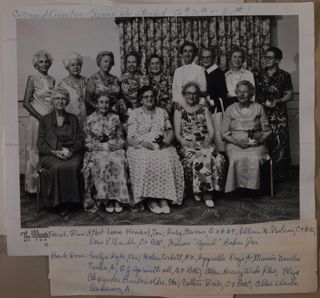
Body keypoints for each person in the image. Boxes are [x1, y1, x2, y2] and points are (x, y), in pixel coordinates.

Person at [127, 86, 184, 214]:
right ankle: (151, 199)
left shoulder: (161, 112)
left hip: (160, 144)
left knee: (166, 157)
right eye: (146, 97)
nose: (149, 99)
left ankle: (163, 198)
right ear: (141, 100)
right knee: (145, 158)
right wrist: (142, 143)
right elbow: (130, 138)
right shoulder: (135, 113)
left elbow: (170, 132)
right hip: (140, 145)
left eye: (151, 96)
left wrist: (165, 143)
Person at [174, 82, 226, 207]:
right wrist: (186, 142)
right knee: (202, 155)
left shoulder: (204, 108)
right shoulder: (179, 110)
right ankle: (207, 192)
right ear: (184, 94)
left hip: (204, 141)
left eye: (194, 93)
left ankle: (200, 190)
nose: (191, 96)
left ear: (198, 95)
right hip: (187, 144)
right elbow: (177, 133)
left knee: (209, 154)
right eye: (188, 93)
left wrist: (208, 140)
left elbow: (211, 130)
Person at [37, 88, 84, 217]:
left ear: (67, 101)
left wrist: (72, 150)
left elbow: (80, 140)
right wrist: (54, 152)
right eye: (57, 98)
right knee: (58, 167)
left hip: (71, 153)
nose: (60, 101)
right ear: (52, 101)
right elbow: (40, 144)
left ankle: (72, 201)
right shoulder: (44, 120)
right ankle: (59, 203)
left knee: (73, 166)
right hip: (50, 154)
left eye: (63, 99)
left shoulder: (73, 118)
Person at [82, 93, 130, 213]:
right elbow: (86, 142)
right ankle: (107, 199)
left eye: (107, 102)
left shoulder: (115, 118)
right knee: (102, 162)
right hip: (96, 150)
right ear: (97, 104)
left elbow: (121, 139)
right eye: (101, 102)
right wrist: (99, 146)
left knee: (119, 161)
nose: (104, 105)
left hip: (113, 148)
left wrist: (115, 146)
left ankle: (118, 198)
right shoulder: (89, 119)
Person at [221, 80, 272, 193]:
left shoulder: (259, 108)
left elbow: (267, 131)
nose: (242, 95)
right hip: (234, 143)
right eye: (239, 92)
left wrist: (260, 141)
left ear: (251, 93)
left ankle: (252, 189)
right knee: (235, 157)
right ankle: (236, 189)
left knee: (254, 157)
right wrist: (237, 142)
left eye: (245, 92)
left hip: (256, 143)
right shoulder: (230, 109)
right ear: (235, 93)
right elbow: (224, 133)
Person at [255, 47, 294, 182]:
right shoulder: (259, 75)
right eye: (265, 57)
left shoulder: (285, 75)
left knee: (280, 143)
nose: (266, 59)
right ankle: (266, 175)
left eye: (270, 57)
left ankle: (280, 175)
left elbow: (289, 94)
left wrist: (278, 101)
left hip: (279, 115)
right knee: (265, 142)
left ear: (277, 60)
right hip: (263, 114)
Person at [23, 50, 55, 194]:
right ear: (36, 64)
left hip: (49, 121)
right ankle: (33, 187)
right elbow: (26, 103)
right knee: (35, 151)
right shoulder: (32, 78)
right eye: (41, 61)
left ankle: (45, 185)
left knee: (47, 150)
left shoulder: (52, 80)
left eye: (46, 61)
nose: (44, 64)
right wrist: (40, 117)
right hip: (36, 121)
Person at [201, 47, 228, 153]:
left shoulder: (219, 73)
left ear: (213, 58)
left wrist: (210, 102)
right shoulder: (202, 72)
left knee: (217, 142)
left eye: (208, 57)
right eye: (203, 57)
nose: (205, 60)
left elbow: (223, 96)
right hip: (202, 111)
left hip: (214, 111)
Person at [85, 51, 122, 116]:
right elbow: (88, 99)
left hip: (115, 114)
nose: (108, 64)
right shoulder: (93, 79)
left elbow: (120, 97)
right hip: (99, 114)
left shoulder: (115, 79)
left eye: (110, 62)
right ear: (99, 62)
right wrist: (100, 108)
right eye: (106, 61)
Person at [172, 41, 206, 107]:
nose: (187, 54)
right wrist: (175, 102)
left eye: (190, 51)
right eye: (185, 51)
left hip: (193, 105)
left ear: (194, 54)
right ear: (182, 53)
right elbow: (174, 89)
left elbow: (203, 89)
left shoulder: (199, 69)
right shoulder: (177, 70)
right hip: (179, 105)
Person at [58, 52, 86, 128]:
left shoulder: (87, 81)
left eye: (78, 64)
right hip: (70, 119)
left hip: (86, 119)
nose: (76, 67)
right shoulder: (63, 84)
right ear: (67, 67)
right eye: (72, 65)